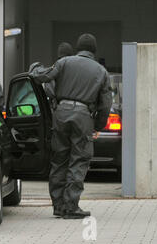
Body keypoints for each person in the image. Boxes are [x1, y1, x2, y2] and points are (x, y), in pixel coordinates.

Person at [29, 33, 112, 219]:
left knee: (59, 159)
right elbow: (105, 104)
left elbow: (42, 76)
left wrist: (34, 68)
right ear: (94, 50)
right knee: (79, 160)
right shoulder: (101, 71)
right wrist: (97, 125)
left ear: (78, 47)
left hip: (61, 114)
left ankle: (58, 206)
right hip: (83, 117)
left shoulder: (64, 62)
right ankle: (71, 206)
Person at [42, 42, 75, 110]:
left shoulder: (52, 71)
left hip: (58, 110)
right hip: (74, 110)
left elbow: (49, 92)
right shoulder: (76, 72)